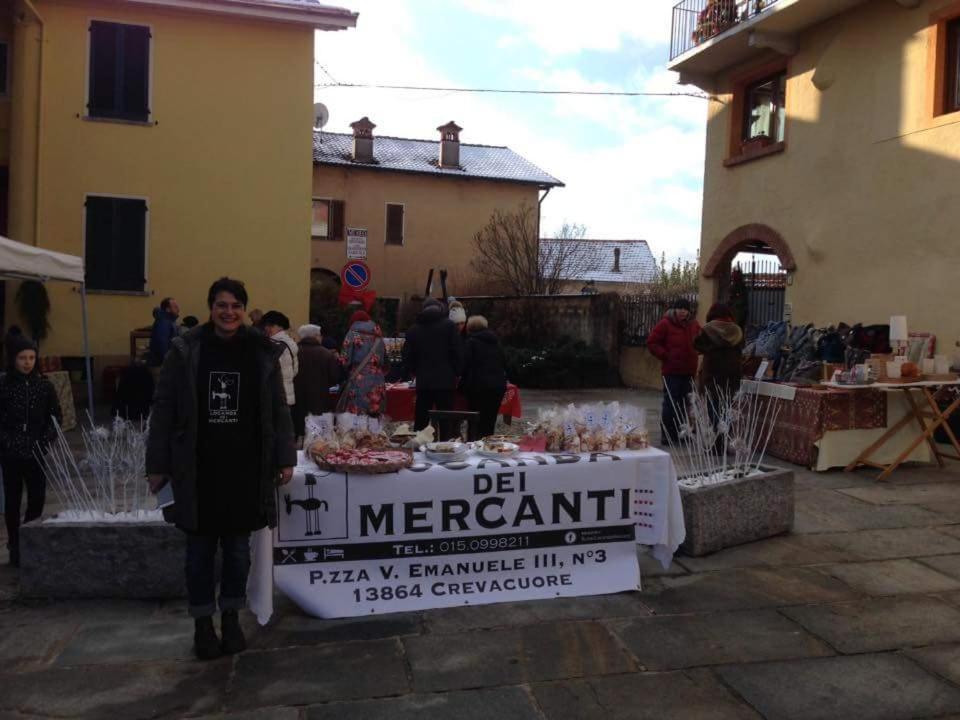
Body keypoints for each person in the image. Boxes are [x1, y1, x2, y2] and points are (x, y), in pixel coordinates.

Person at [146, 277, 295, 661]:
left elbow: (278, 409)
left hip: (245, 470)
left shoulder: (261, 351)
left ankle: (230, 618)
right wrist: (157, 465)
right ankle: (201, 625)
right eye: (221, 305)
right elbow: (163, 409)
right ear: (211, 307)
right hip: (197, 470)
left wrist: (284, 456)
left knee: (237, 554)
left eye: (236, 305)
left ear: (244, 309)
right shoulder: (186, 349)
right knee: (198, 554)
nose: (228, 312)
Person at [0, 335, 62, 567]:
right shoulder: (4, 385)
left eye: (31, 358)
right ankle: (15, 543)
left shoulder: (44, 386)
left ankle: (30, 537)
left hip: (36, 450)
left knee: (37, 498)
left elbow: (55, 417)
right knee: (13, 501)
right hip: (11, 453)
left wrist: (44, 441)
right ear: (13, 359)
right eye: (22, 358)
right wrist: (7, 442)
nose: (27, 362)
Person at [402, 298, 463, 433]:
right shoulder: (449, 326)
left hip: (424, 382)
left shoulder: (413, 330)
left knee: (421, 420)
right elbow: (457, 352)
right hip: (445, 381)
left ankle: (419, 449)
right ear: (440, 310)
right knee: (446, 420)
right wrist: (457, 372)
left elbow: (407, 356)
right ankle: (446, 447)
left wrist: (414, 371)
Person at [647, 297, 701, 445]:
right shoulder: (665, 324)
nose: (683, 312)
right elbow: (652, 342)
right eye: (680, 309)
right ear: (675, 309)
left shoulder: (694, 325)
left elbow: (701, 340)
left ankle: (682, 432)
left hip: (689, 371)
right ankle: (668, 435)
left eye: (686, 309)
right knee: (671, 403)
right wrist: (666, 355)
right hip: (671, 371)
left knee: (686, 404)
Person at [460, 315, 507, 440]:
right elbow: (504, 362)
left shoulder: (471, 343)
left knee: (474, 420)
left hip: (478, 387)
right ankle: (488, 445)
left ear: (470, 328)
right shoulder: (496, 342)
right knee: (490, 420)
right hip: (497, 386)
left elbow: (464, 365)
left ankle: (473, 445)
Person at [293, 324, 341, 437]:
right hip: (319, 402)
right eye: (320, 335)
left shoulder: (294, 352)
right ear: (315, 336)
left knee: (299, 432)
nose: (321, 338)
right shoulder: (326, 354)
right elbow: (335, 378)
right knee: (317, 436)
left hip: (297, 401)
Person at [338, 311, 388, 416]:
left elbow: (344, 360)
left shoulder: (353, 333)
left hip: (359, 380)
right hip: (378, 380)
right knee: (374, 416)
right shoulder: (378, 335)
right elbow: (384, 360)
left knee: (357, 417)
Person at [695, 303, 744, 400]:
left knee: (713, 408)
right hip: (732, 376)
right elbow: (741, 350)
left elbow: (698, 346)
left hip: (712, 375)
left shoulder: (708, 329)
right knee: (726, 409)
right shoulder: (737, 330)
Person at [261, 311, 299, 409]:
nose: (267, 328)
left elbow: (267, 372)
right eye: (266, 325)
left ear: (280, 327)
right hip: (287, 396)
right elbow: (295, 371)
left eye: (271, 325)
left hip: (274, 397)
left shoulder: (274, 345)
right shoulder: (290, 343)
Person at [148, 297, 180, 366]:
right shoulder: (164, 322)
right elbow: (162, 344)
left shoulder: (169, 320)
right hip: (160, 364)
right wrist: (168, 362)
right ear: (168, 309)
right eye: (175, 306)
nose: (178, 308)